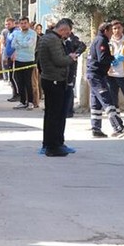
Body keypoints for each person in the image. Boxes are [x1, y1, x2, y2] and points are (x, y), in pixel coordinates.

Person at [37, 19, 78, 157]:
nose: (67, 35)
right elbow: (59, 60)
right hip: (54, 80)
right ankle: (52, 146)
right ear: (63, 30)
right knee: (54, 115)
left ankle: (54, 143)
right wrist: (71, 58)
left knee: (53, 114)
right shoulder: (53, 40)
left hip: (51, 79)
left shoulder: (47, 38)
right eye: (67, 32)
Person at [86, 22, 124, 138]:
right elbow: (102, 59)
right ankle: (118, 127)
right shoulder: (101, 41)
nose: (112, 32)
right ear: (105, 31)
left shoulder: (98, 40)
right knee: (107, 101)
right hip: (97, 76)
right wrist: (114, 58)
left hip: (94, 75)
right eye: (111, 30)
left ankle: (96, 129)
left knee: (96, 104)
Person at [9, 16, 38, 110]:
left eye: (25, 23)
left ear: (28, 23)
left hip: (28, 60)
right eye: (21, 23)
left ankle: (30, 102)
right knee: (19, 81)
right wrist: (22, 43)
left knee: (28, 82)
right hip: (18, 60)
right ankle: (22, 101)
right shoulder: (17, 33)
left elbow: (29, 45)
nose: (23, 25)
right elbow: (13, 44)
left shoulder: (33, 33)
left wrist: (19, 43)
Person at [63, 18, 87, 118]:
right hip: (60, 67)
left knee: (69, 88)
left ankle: (69, 110)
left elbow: (82, 46)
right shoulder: (58, 38)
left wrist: (75, 54)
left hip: (70, 67)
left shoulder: (72, 39)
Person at [2, 17, 19, 101]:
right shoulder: (9, 33)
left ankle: (17, 94)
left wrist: (14, 53)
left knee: (14, 77)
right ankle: (14, 93)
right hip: (9, 57)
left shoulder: (16, 32)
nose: (7, 26)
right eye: (6, 24)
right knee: (11, 77)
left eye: (9, 24)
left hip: (14, 58)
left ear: (13, 23)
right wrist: (5, 56)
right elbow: (7, 46)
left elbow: (17, 45)